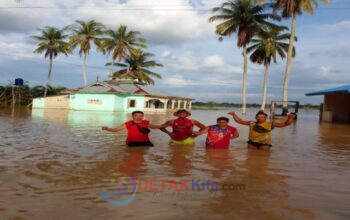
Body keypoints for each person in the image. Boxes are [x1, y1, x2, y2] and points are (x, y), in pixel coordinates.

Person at [229, 110, 296, 150]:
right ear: (255, 117)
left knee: (264, 158)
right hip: (252, 143)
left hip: (265, 144)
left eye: (262, 117)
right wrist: (234, 114)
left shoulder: (270, 124)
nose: (260, 118)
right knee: (251, 158)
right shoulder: (252, 123)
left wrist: (291, 117)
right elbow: (240, 121)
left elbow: (285, 124)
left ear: (266, 118)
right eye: (258, 117)